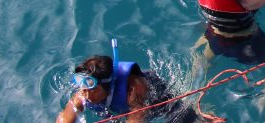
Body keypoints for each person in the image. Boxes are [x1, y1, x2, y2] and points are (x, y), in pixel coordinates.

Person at [55, 47, 197, 123]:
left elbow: (136, 119)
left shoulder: (134, 90)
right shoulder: (84, 93)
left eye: (92, 90)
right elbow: (65, 116)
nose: (86, 95)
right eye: (83, 89)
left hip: (160, 103)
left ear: (108, 85)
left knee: (185, 118)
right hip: (119, 109)